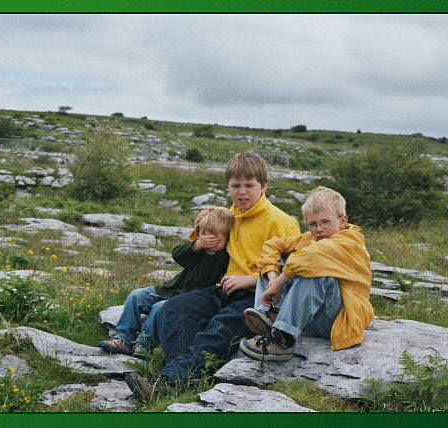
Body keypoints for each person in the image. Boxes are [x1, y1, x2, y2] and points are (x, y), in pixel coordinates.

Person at [126, 152, 300, 401]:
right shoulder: (231, 214)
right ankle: (179, 375)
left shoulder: (282, 221)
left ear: (264, 186)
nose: (242, 192)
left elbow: (293, 269)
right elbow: (209, 245)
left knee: (219, 328)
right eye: (235, 185)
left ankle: (167, 385)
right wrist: (199, 229)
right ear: (228, 186)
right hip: (224, 289)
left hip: (256, 297)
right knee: (175, 308)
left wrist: (251, 279)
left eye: (249, 185)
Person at [239, 186, 374, 363]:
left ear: (343, 220)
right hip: (313, 316)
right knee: (277, 260)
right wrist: (272, 278)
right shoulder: (310, 238)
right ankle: (270, 314)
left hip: (337, 321)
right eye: (313, 224)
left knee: (317, 269)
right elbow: (272, 245)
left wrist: (279, 283)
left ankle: (283, 340)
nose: (319, 229)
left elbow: (314, 256)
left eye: (326, 222)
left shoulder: (351, 242)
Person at [97, 206, 234, 357]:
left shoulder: (224, 257)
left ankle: (144, 344)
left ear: (228, 239)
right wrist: (198, 243)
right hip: (169, 289)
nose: (210, 243)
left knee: (159, 308)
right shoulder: (198, 248)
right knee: (136, 295)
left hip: (184, 300)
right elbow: (178, 255)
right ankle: (123, 337)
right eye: (207, 237)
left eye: (216, 240)